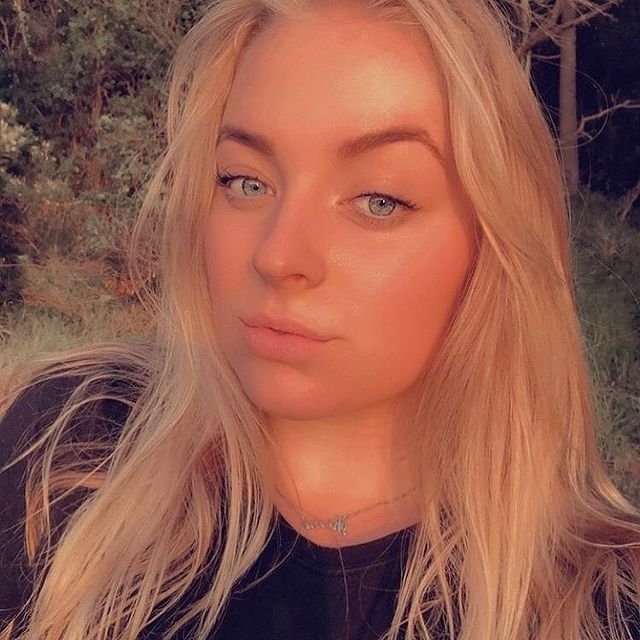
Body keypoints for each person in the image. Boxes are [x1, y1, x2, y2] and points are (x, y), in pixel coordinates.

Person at [1, 0, 639, 638]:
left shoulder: (602, 604)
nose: (278, 257)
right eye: (246, 182)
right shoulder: (68, 449)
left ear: (492, 243)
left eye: (378, 200)